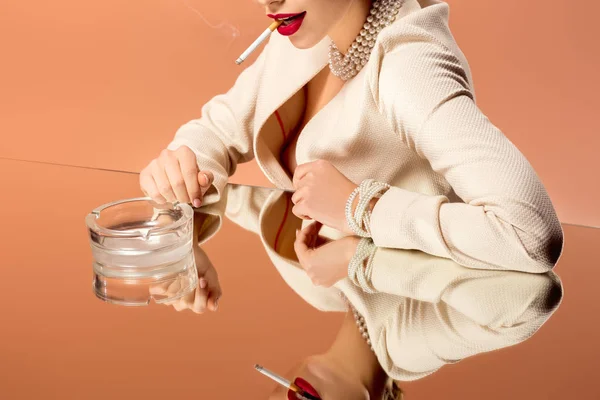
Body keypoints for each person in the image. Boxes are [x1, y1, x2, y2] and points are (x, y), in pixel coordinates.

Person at [140, 0, 565, 397]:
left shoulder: (408, 65)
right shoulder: (306, 29)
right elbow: (218, 130)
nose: (268, 0)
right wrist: (182, 172)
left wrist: (360, 206)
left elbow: (530, 232)